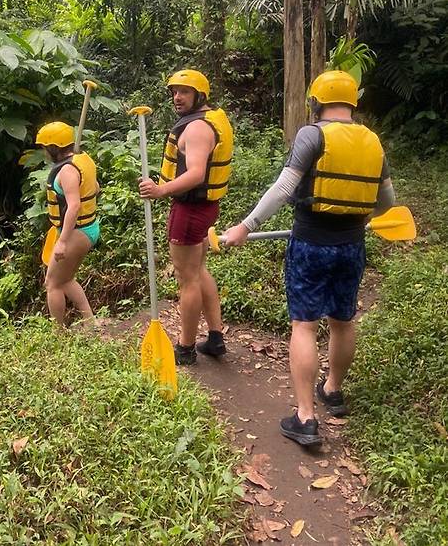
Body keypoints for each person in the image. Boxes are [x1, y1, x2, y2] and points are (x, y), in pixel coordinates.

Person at [220, 70, 395, 446]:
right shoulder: (373, 141)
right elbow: (387, 203)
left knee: (304, 325)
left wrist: (245, 226)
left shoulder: (312, 134)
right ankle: (332, 390)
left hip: (311, 243)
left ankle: (305, 418)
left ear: (316, 101)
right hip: (352, 246)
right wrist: (359, 217)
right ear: (352, 103)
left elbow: (285, 187)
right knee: (343, 320)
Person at [138, 69, 233, 365]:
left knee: (187, 279)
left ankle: (185, 348)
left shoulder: (196, 129)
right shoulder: (206, 120)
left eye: (185, 92)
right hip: (203, 208)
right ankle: (215, 338)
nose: (177, 97)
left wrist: (161, 189)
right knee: (199, 269)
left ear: (200, 96)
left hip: (190, 211)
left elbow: (195, 174)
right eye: (174, 92)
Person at [36, 122, 100, 326]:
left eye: (45, 148)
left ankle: (59, 333)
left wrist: (62, 242)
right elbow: (95, 188)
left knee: (52, 283)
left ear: (53, 148)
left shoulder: (67, 171)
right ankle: (90, 323)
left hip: (77, 232)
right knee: (65, 279)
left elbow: (73, 207)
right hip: (86, 228)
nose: (44, 152)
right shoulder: (83, 159)